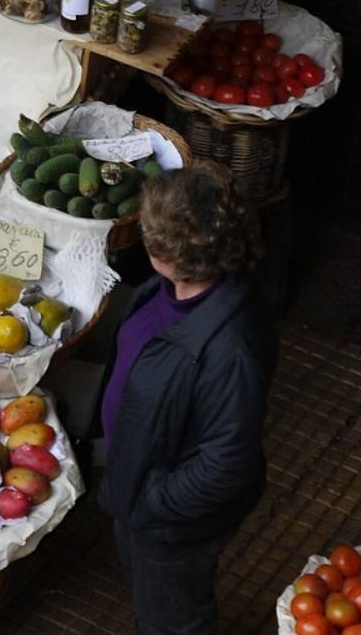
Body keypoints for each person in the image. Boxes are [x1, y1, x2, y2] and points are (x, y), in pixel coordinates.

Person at [95, 161, 278, 635]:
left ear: (168, 250)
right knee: (151, 597)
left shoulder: (231, 351)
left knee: (175, 621)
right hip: (137, 486)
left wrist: (150, 501)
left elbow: (225, 466)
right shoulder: (167, 288)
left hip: (169, 521)